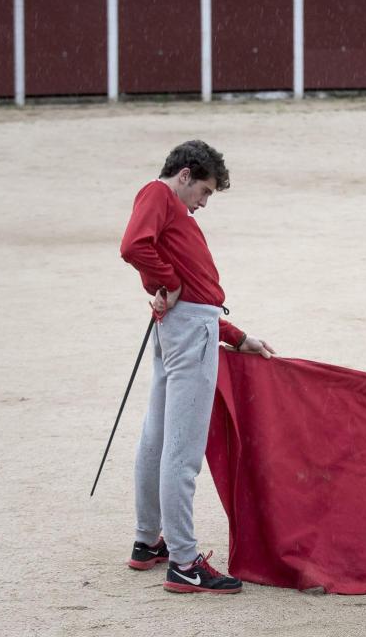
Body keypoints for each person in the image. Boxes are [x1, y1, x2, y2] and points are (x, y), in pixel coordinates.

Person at [119, 140, 274, 594]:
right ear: (184, 175)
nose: (203, 204)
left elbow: (190, 293)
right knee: (181, 449)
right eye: (204, 192)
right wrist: (166, 281)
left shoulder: (163, 204)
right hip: (189, 331)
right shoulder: (160, 195)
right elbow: (134, 247)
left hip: (185, 326)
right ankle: (185, 563)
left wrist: (237, 336)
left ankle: (149, 542)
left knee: (158, 437)